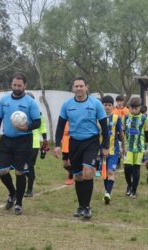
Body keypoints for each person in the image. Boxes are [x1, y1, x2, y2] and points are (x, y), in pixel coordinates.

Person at [54, 76, 109, 219]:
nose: (78, 88)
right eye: (76, 86)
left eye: (81, 86)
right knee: (78, 176)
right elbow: (60, 126)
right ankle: (80, 206)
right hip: (75, 143)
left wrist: (105, 146)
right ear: (73, 88)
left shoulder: (95, 104)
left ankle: (87, 207)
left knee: (88, 172)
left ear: (86, 87)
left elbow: (104, 126)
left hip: (91, 142)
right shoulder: (67, 105)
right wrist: (57, 145)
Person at [0, 73, 41, 215]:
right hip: (6, 140)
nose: (16, 88)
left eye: (19, 85)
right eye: (14, 85)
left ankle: (19, 203)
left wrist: (27, 127)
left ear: (25, 86)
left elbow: (37, 122)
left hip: (24, 141)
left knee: (19, 172)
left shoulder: (30, 102)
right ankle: (13, 193)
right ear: (12, 85)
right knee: (2, 171)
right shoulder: (4, 100)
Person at [100, 95, 125, 204]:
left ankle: (108, 193)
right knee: (104, 174)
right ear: (102, 106)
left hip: (113, 150)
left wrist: (123, 146)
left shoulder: (116, 118)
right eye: (105, 105)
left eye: (109, 105)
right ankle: (107, 192)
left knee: (111, 171)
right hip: (101, 151)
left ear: (112, 106)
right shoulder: (98, 118)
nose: (107, 107)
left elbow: (121, 134)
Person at [123, 97, 148, 197]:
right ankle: (129, 185)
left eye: (136, 108)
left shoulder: (144, 119)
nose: (133, 110)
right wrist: (121, 145)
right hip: (127, 147)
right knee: (127, 168)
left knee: (136, 169)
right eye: (131, 108)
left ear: (139, 108)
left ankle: (134, 190)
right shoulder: (125, 117)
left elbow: (147, 134)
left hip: (139, 147)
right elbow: (123, 132)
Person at [25, 92, 48, 198]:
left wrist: (44, 141)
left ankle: (29, 190)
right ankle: (25, 184)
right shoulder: (20, 113)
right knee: (21, 167)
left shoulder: (38, 113)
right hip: (21, 143)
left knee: (30, 166)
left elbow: (42, 127)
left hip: (33, 144)